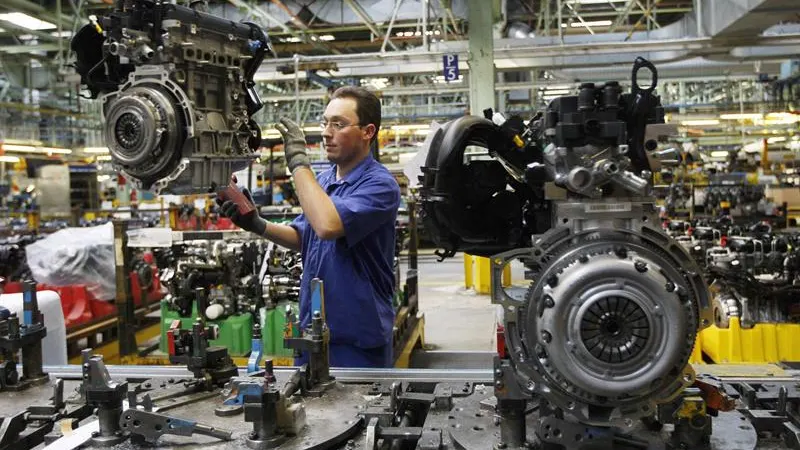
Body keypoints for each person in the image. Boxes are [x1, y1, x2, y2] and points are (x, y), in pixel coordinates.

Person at [216, 86, 400, 368]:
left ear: (368, 132)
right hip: (312, 333)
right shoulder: (324, 182)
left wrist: (299, 163)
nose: (326, 132)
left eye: (338, 124)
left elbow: (327, 225)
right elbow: (304, 235)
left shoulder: (380, 185)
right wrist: (256, 224)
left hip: (356, 340)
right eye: (325, 122)